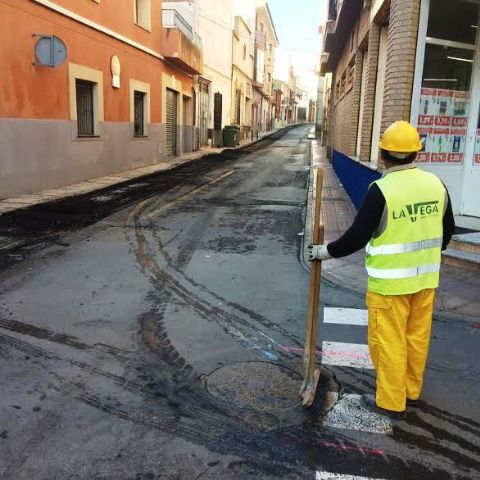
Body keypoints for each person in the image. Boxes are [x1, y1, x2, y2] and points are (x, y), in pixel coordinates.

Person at [308, 121, 455, 420]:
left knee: (388, 342)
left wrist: (325, 251)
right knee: (416, 338)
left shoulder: (381, 190)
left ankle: (389, 400)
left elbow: (357, 236)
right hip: (426, 281)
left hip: (389, 287)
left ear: (383, 154)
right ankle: (411, 391)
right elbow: (447, 231)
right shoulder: (436, 185)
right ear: (417, 153)